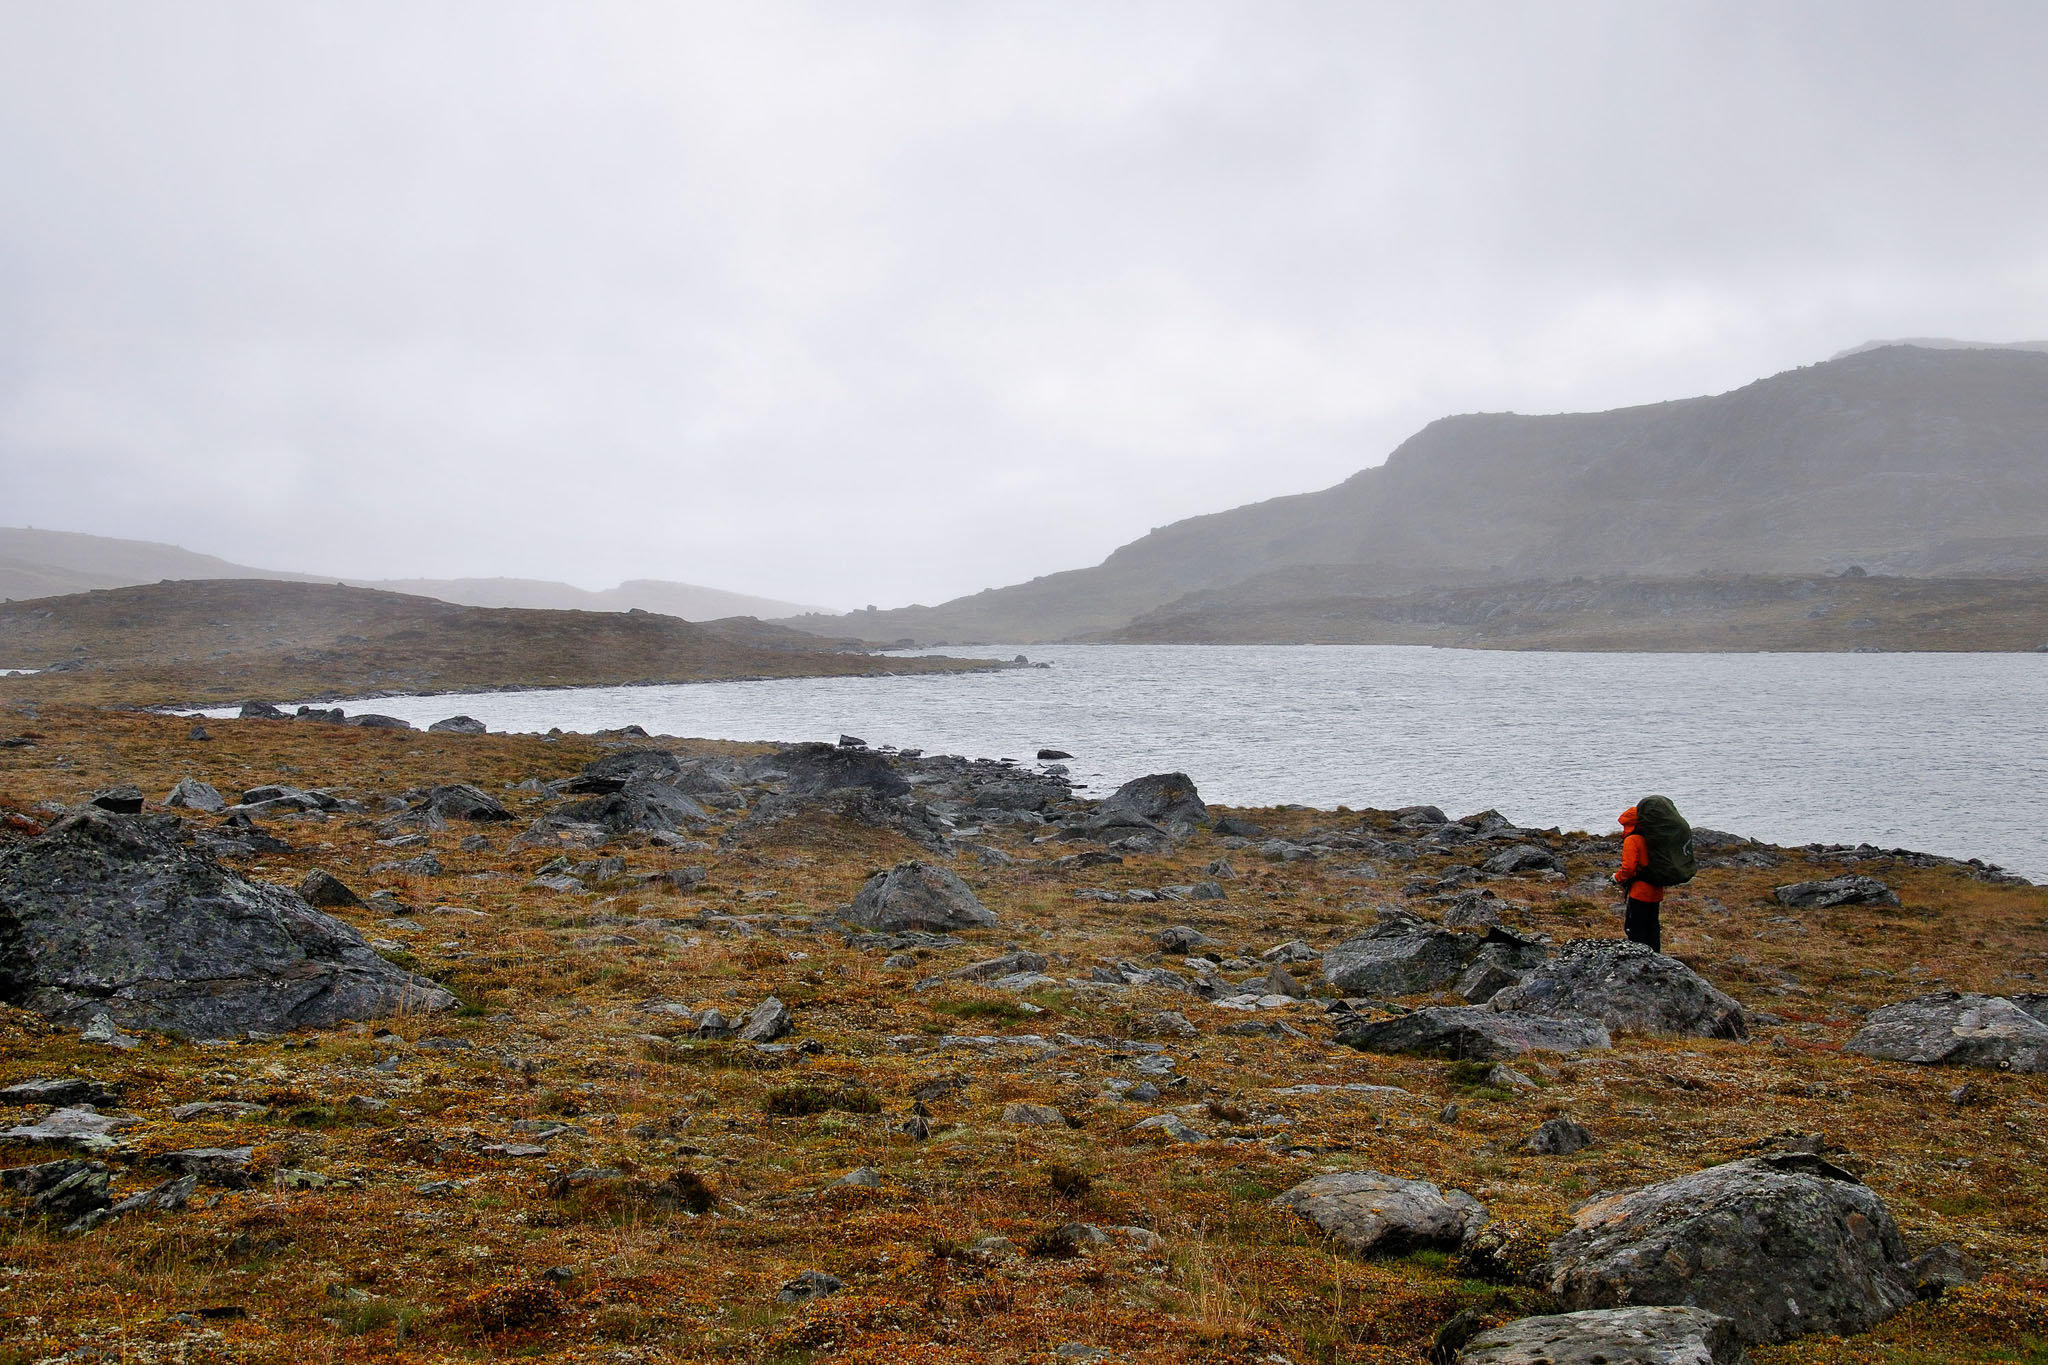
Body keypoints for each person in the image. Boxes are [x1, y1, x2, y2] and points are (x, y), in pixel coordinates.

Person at [1612, 805, 1662, 952]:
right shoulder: (1653, 838)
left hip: (1640, 893)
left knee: (1635, 931)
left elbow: (1628, 869)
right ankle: (1656, 961)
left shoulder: (1632, 840)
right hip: (1656, 891)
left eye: (1625, 825)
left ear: (1631, 824)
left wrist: (1616, 878)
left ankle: (1640, 965)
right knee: (1652, 929)